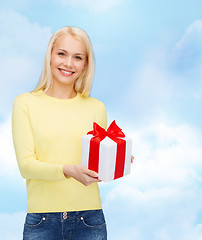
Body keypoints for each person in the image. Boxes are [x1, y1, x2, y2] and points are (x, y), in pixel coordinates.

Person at [12, 26, 108, 240]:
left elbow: (95, 167)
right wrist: (67, 170)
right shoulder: (25, 103)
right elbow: (26, 166)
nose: (68, 63)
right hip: (42, 221)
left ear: (85, 64)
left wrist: (115, 161)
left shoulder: (96, 108)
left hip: (89, 220)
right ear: (50, 55)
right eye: (62, 54)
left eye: (78, 57)